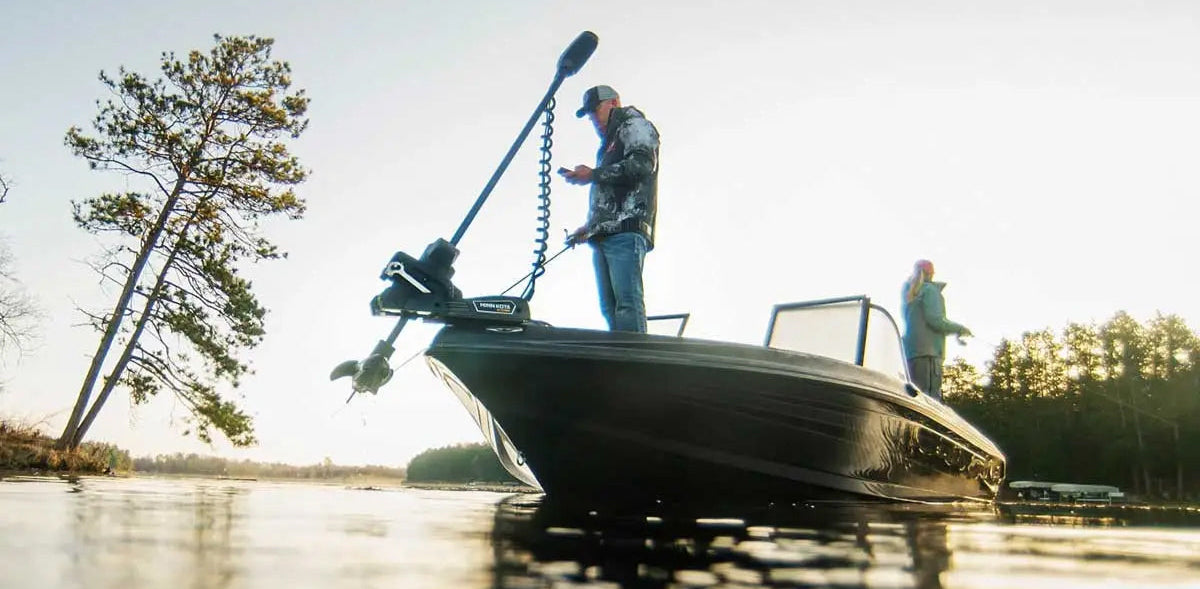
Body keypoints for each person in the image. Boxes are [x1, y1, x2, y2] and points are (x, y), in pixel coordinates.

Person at [559, 85, 660, 333]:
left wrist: (593, 174)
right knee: (610, 307)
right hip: (607, 233)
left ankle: (636, 359)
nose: (594, 119)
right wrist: (589, 228)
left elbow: (641, 166)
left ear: (613, 103)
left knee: (627, 303)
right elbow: (613, 197)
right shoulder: (609, 144)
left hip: (626, 230)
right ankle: (622, 360)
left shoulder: (634, 125)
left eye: (596, 111)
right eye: (590, 115)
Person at [901, 259, 972, 401]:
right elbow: (935, 320)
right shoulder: (929, 290)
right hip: (929, 356)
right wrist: (960, 328)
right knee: (928, 399)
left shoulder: (910, 294)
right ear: (931, 273)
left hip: (910, 354)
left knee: (913, 398)